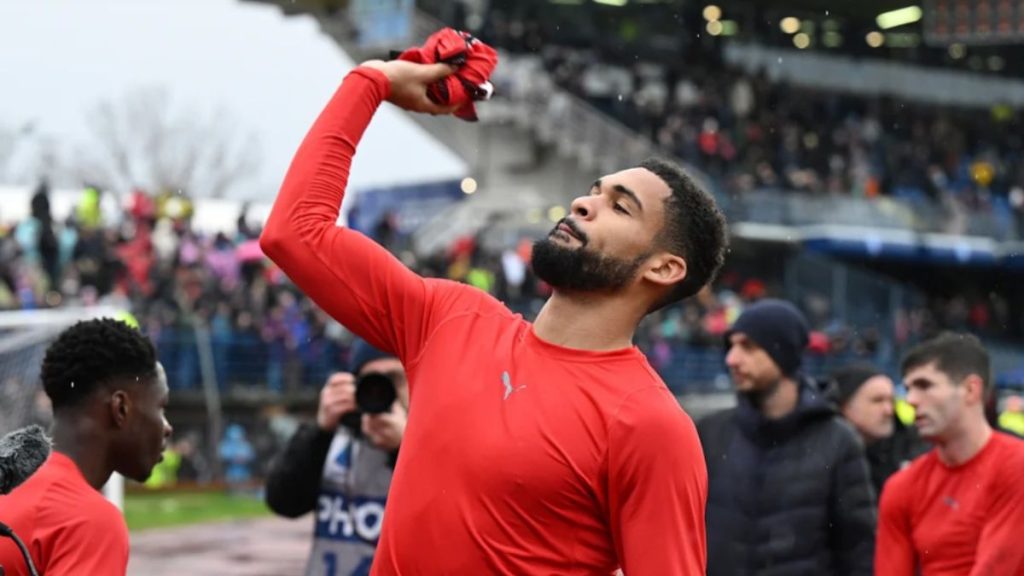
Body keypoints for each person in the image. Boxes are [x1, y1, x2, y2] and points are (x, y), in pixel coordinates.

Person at [259, 57, 729, 574]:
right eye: (593, 191)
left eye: (620, 207)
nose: (582, 203)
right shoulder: (451, 319)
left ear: (663, 268)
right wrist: (373, 82)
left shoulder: (651, 426)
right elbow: (294, 233)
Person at [697, 299, 876, 576]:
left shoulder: (838, 441)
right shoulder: (711, 432)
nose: (731, 358)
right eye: (731, 346)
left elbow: (858, 553)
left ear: (781, 352)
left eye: (747, 346)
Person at [0, 319, 171, 576]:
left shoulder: (11, 482)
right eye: (160, 408)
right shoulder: (85, 520)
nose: (166, 427)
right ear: (121, 408)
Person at [876, 333, 1024, 575]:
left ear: (970, 389)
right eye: (908, 388)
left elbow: (997, 570)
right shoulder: (901, 487)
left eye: (925, 385)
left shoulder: (1016, 465)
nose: (911, 400)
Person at [265, 338, 408, 575]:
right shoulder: (335, 437)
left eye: (394, 380)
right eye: (369, 383)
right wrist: (320, 432)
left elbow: (447, 526)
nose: (382, 391)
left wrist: (403, 450)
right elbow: (282, 502)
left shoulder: (433, 448)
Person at [832, 364, 929, 497]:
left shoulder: (914, 449)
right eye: (877, 401)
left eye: (891, 401)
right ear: (845, 407)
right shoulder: (823, 456)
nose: (888, 410)